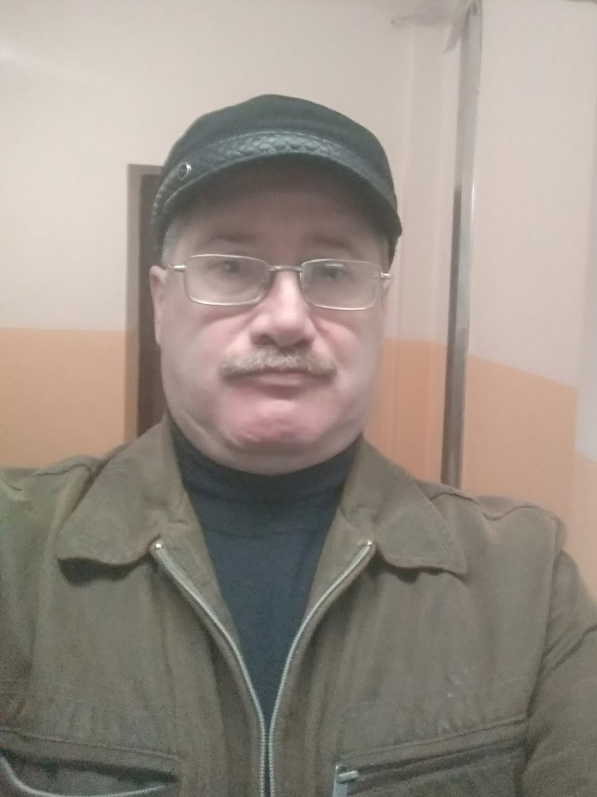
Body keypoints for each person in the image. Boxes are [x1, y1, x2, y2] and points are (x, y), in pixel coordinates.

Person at [1, 95, 596, 797]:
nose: (286, 318)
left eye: (332, 272)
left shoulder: (526, 581)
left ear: (380, 307)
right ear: (162, 302)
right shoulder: (18, 558)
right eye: (231, 265)